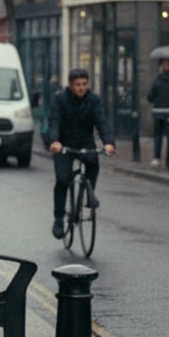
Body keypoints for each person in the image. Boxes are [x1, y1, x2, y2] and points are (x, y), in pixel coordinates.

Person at [44, 68, 116, 239]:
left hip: (85, 140)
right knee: (63, 179)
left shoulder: (94, 100)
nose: (82, 88)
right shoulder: (60, 99)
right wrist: (54, 141)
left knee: (93, 163)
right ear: (71, 85)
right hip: (63, 143)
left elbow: (102, 122)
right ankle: (59, 219)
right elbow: (54, 121)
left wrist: (108, 143)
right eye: (78, 85)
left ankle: (89, 195)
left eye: (84, 84)